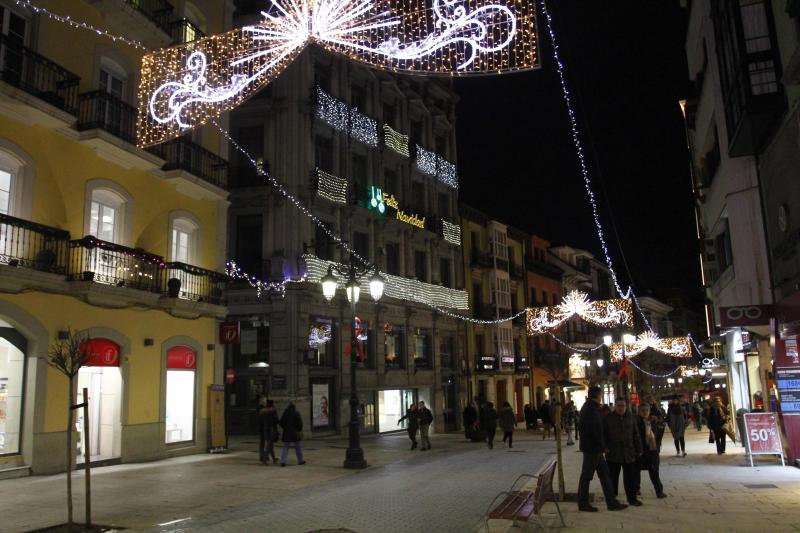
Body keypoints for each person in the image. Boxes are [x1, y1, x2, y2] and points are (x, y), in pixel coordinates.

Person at [577, 387, 628, 513]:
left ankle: (611, 502)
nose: (601, 398)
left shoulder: (590, 408)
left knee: (605, 475)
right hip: (593, 449)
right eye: (600, 395)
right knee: (587, 476)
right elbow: (595, 431)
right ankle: (583, 503)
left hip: (594, 448)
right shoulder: (591, 410)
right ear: (597, 396)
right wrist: (602, 446)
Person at [604, 397, 643, 507]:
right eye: (619, 406)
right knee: (612, 478)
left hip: (629, 452)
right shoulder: (608, 418)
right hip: (613, 453)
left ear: (626, 406)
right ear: (615, 406)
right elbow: (604, 434)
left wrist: (639, 448)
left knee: (630, 478)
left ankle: (632, 498)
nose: (621, 408)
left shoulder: (631, 418)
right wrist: (605, 447)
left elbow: (635, 434)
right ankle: (612, 498)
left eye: (623, 406)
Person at [635, 404, 666, 499]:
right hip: (640, 450)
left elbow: (659, 435)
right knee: (636, 471)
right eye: (643, 410)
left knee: (654, 471)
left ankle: (659, 491)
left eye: (647, 410)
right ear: (639, 411)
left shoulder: (653, 422)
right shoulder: (636, 422)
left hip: (652, 450)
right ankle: (636, 489)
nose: (645, 412)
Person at [278, 402, 305, 466]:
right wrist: (299, 430)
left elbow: (281, 422)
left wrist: (284, 427)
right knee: (298, 446)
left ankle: (283, 461)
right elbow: (300, 422)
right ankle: (300, 460)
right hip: (295, 432)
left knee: (285, 447)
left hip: (286, 432)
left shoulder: (285, 413)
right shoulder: (296, 413)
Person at [258, 398, 279, 464]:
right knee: (269, 444)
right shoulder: (272, 411)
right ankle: (264, 458)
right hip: (270, 428)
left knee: (270, 444)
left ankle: (273, 458)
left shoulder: (263, 411)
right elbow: (276, 420)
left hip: (265, 428)